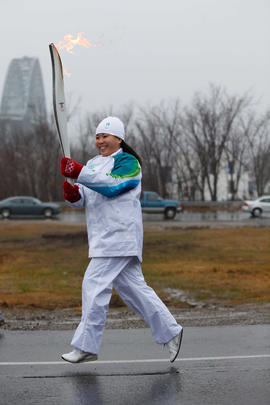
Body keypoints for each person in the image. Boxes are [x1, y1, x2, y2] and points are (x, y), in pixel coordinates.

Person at [60, 116, 183, 363]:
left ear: (119, 138)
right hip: (102, 237)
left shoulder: (129, 162)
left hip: (119, 235)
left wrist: (80, 172)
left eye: (105, 136)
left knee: (93, 285)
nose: (100, 141)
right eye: (97, 137)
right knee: (135, 291)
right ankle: (171, 331)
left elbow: (112, 187)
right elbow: (87, 197)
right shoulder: (94, 163)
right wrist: (73, 195)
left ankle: (87, 346)